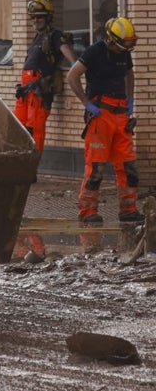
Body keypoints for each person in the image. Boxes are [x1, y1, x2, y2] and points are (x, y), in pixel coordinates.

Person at [67, 16, 141, 247]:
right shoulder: (93, 52)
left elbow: (129, 74)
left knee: (127, 166)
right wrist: (86, 103)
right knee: (96, 167)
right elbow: (72, 76)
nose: (127, 48)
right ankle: (88, 212)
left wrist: (130, 102)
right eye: (125, 43)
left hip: (121, 115)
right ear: (111, 39)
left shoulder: (123, 53)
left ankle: (128, 210)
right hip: (101, 114)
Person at [14, 0, 76, 153]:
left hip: (39, 91)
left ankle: (32, 166)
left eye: (39, 16)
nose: (35, 20)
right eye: (33, 17)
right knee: (19, 128)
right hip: (26, 90)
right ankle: (19, 164)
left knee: (34, 129)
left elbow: (67, 52)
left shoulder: (55, 35)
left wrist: (76, 67)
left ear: (48, 17)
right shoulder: (38, 37)